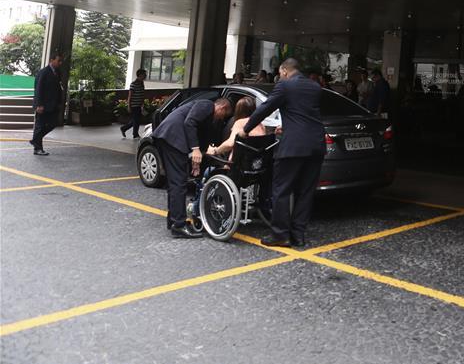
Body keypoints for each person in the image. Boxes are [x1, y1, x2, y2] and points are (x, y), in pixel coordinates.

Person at [239, 58, 324, 248]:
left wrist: (246, 129)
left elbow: (265, 108)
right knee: (305, 193)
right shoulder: (315, 87)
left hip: (293, 147)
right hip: (316, 145)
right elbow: (303, 114)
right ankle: (298, 236)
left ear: (285, 71)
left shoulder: (284, 86)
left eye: (280, 72)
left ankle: (280, 235)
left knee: (282, 190)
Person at [153, 97, 233, 238]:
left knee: (176, 182)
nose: (222, 119)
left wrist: (196, 161)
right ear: (221, 108)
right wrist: (195, 149)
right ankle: (179, 225)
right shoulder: (207, 104)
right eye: (224, 116)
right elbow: (189, 122)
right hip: (172, 137)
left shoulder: (208, 119)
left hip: (170, 138)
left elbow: (201, 139)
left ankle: (174, 220)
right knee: (179, 182)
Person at [30, 53, 65, 156]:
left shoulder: (57, 72)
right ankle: (38, 148)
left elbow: (58, 89)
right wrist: (38, 105)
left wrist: (59, 102)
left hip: (53, 105)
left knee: (53, 124)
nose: (60, 63)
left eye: (61, 61)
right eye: (58, 61)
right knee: (40, 126)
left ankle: (35, 140)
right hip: (43, 105)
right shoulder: (44, 72)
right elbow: (38, 89)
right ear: (51, 60)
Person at [120, 68, 147, 139]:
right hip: (133, 105)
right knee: (136, 120)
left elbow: (142, 94)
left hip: (139, 105)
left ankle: (124, 128)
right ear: (140, 75)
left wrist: (142, 104)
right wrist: (129, 106)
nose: (145, 76)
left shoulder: (142, 84)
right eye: (144, 74)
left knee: (135, 120)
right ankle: (135, 134)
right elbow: (130, 96)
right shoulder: (133, 84)